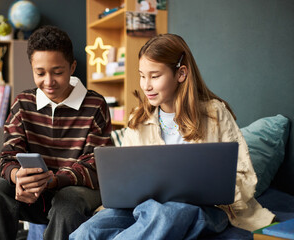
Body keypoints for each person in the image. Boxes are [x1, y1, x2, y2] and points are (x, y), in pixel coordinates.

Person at [69, 34, 275, 240]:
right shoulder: (138, 119)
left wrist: (207, 191)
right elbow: (127, 179)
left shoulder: (215, 113)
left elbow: (244, 176)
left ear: (181, 74)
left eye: (155, 76)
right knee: (89, 230)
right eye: (142, 75)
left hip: (202, 210)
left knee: (166, 214)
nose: (145, 85)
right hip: (143, 208)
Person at [0, 25, 112, 240]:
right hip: (33, 193)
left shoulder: (95, 104)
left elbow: (95, 164)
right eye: (40, 73)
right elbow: (7, 156)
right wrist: (17, 177)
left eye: (58, 72)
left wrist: (54, 180)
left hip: (75, 192)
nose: (48, 82)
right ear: (32, 68)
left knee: (67, 202)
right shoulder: (22, 103)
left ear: (72, 67)